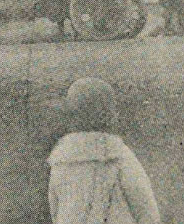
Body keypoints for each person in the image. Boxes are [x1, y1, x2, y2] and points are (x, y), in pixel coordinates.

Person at [48, 78, 161, 224]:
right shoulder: (120, 156)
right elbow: (146, 208)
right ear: (108, 114)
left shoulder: (61, 162)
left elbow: (56, 213)